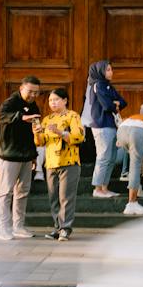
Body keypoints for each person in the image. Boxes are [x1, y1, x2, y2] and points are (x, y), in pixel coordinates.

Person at [0, 76, 40, 241]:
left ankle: (18, 226)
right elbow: (2, 116)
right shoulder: (10, 102)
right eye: (30, 91)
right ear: (22, 88)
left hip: (26, 155)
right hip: (8, 154)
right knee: (5, 193)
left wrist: (34, 155)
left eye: (36, 92)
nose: (33, 95)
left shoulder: (33, 105)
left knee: (22, 193)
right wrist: (21, 117)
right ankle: (3, 229)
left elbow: (31, 133)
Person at [38, 87, 85, 240]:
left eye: (56, 99)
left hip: (69, 162)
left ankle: (65, 228)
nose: (53, 103)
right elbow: (41, 143)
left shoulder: (73, 116)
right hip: (51, 163)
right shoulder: (47, 119)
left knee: (66, 197)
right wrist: (36, 131)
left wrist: (60, 133)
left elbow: (79, 137)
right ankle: (57, 228)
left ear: (65, 100)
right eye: (51, 100)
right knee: (53, 197)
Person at [83, 59, 125, 200]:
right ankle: (97, 188)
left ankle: (104, 188)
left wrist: (116, 103)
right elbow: (107, 105)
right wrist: (115, 104)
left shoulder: (108, 86)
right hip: (101, 126)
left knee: (111, 157)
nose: (111, 72)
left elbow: (123, 101)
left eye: (111, 69)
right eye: (107, 70)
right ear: (100, 71)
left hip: (111, 125)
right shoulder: (98, 85)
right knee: (103, 157)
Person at [114, 105, 143, 216]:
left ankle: (136, 186)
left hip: (121, 131)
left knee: (133, 160)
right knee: (135, 165)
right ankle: (132, 203)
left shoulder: (134, 116)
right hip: (136, 132)